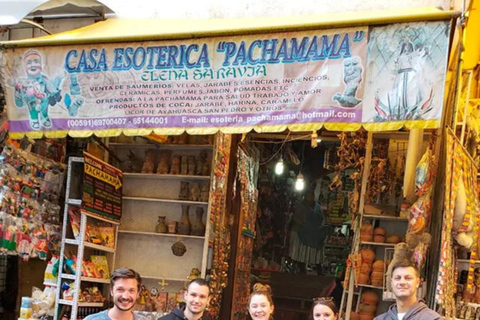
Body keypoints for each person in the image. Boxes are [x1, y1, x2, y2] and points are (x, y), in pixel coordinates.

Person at [374, 259, 440, 320]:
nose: (402, 282)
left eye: (408, 278)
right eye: (397, 278)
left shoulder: (432, 318)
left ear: (417, 282)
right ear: (392, 283)